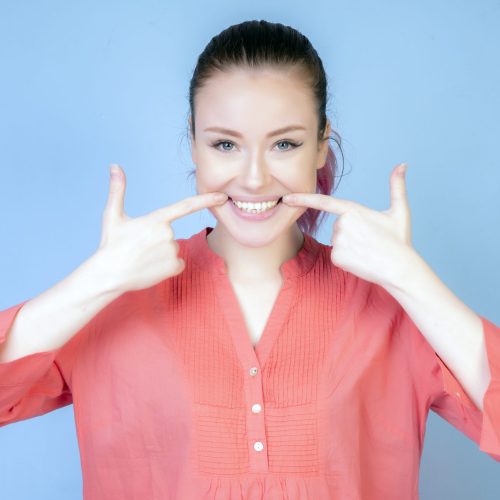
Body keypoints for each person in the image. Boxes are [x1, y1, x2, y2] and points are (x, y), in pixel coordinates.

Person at [0, 19, 498, 500]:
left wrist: (411, 279)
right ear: (193, 144)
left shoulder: (393, 303)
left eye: (285, 143)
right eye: (225, 144)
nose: (254, 178)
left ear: (322, 145)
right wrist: (98, 281)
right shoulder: (112, 298)